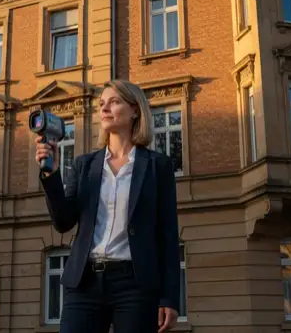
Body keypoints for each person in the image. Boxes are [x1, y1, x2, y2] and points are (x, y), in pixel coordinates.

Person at [34, 79, 181, 333]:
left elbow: (167, 235)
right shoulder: (85, 165)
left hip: (135, 285)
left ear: (135, 110)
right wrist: (51, 175)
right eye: (102, 103)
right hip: (84, 282)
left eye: (114, 102)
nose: (104, 108)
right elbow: (63, 221)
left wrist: (169, 298)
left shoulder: (158, 166)